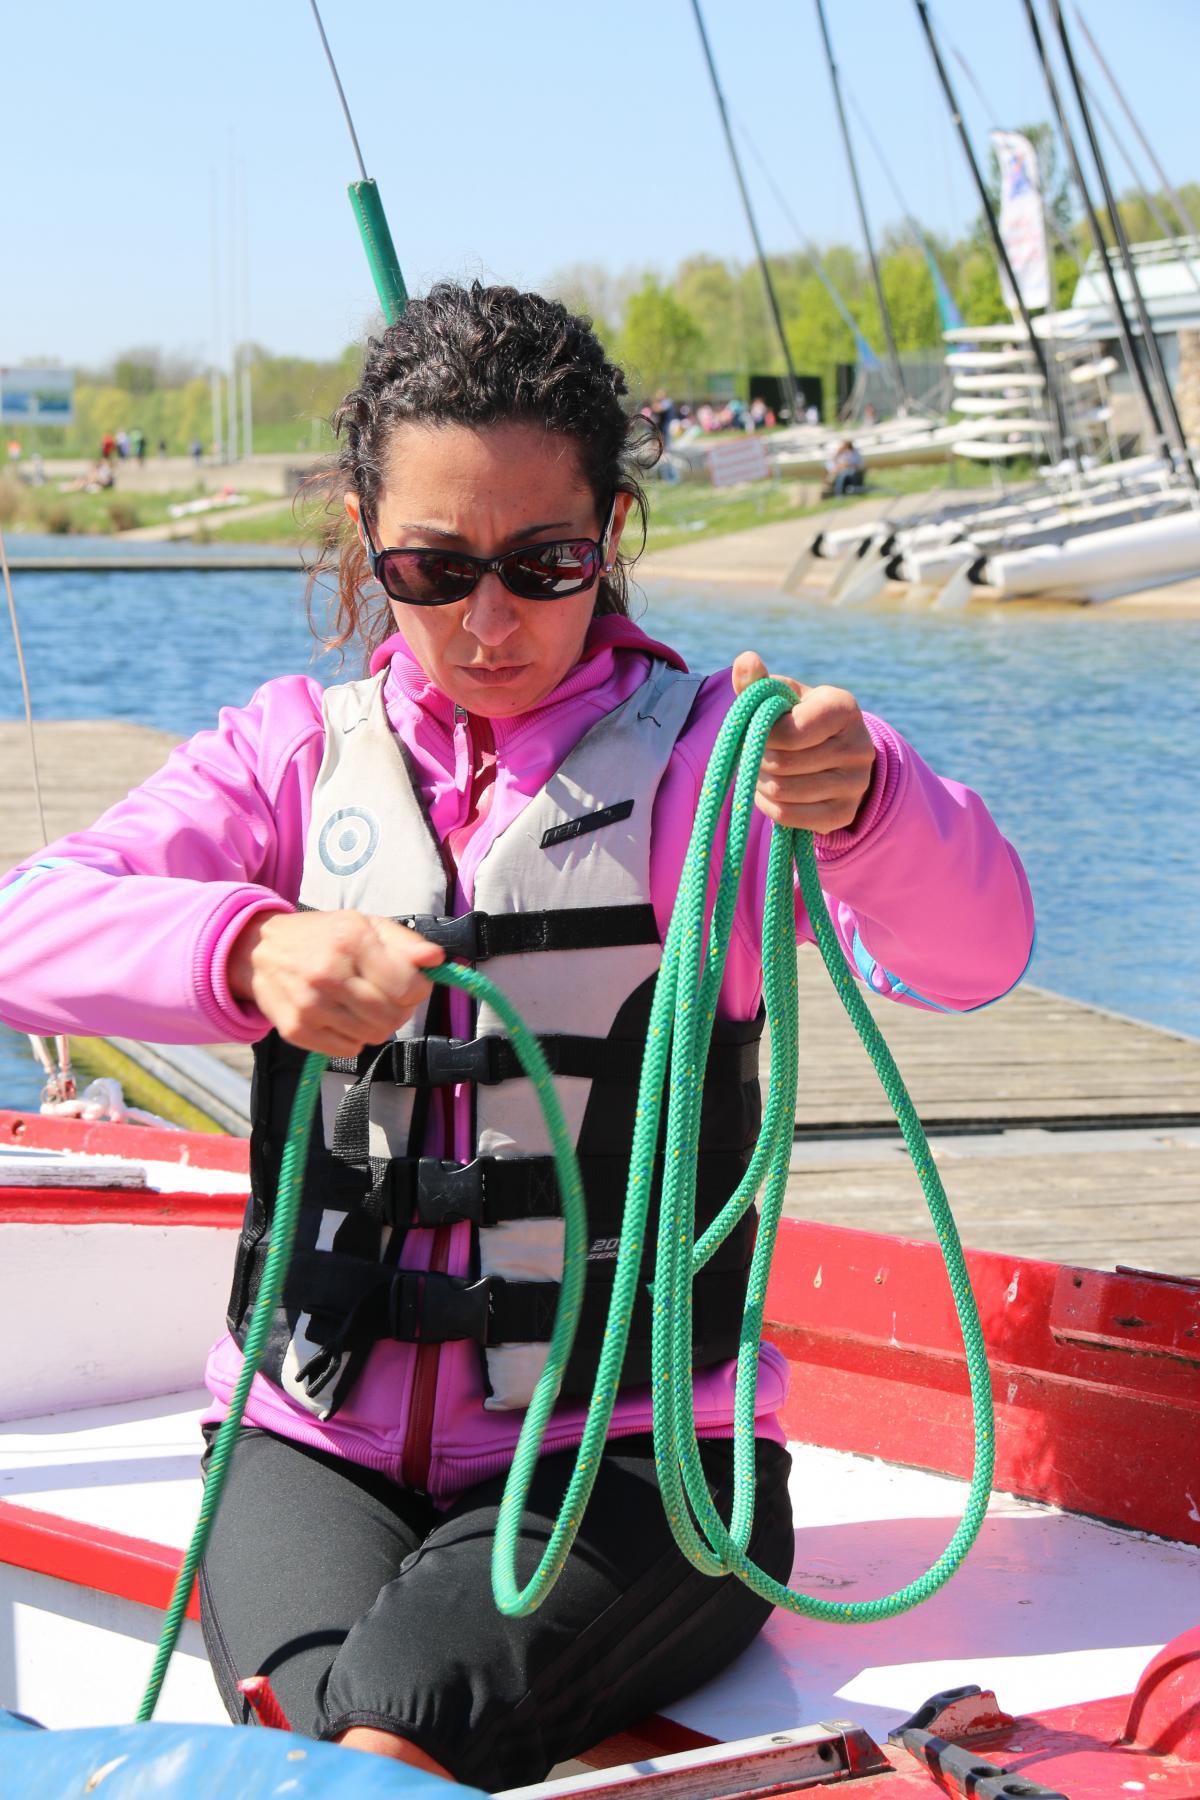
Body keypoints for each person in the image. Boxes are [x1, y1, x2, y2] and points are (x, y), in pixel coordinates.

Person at [0, 282, 1033, 1788]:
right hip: (308, 1444)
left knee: (387, 1730)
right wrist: (246, 944)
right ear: (365, 538)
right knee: (302, 1734)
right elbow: (26, 925)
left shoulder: (725, 766)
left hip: (641, 1473)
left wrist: (875, 802)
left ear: (611, 532)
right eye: (433, 568)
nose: (489, 624)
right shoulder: (285, 755)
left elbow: (979, 952)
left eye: (544, 564)